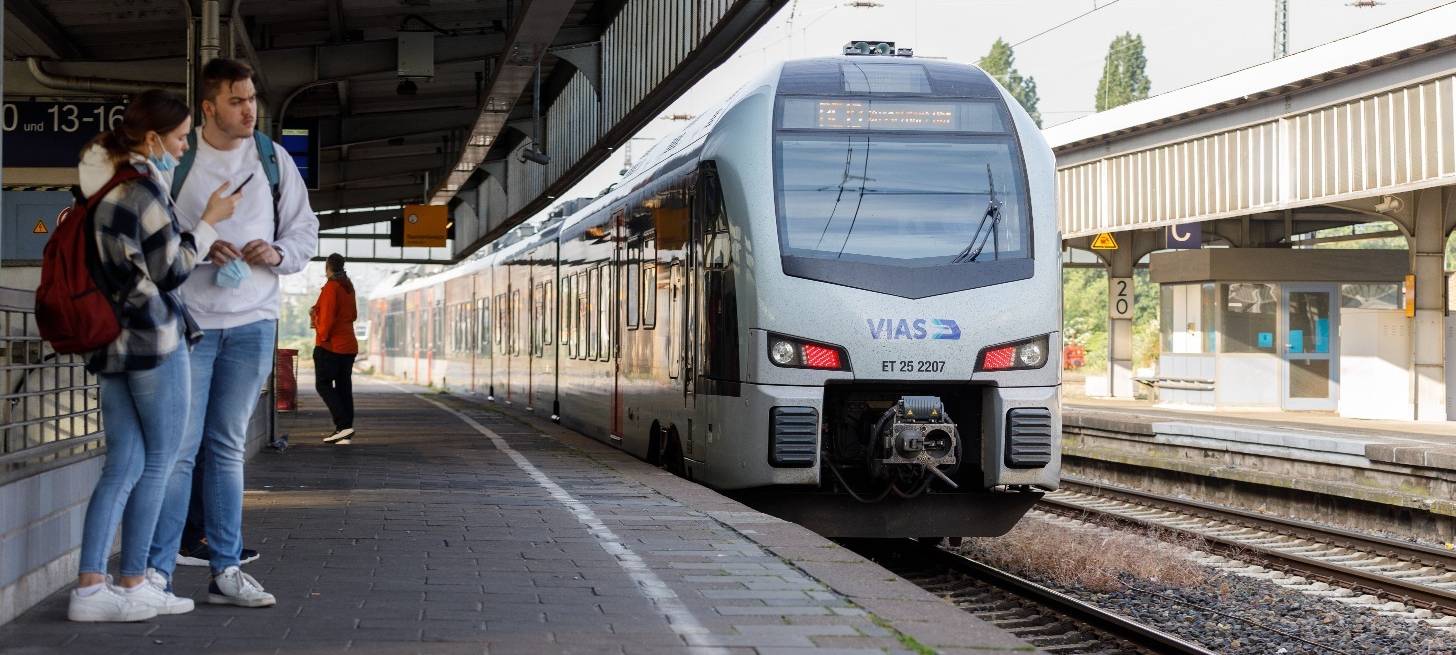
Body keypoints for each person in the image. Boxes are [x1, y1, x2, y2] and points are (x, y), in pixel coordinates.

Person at [147, 57, 319, 608]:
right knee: (179, 447)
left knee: (224, 447)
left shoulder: (272, 159)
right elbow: (155, 237)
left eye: (251, 99)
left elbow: (304, 231)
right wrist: (201, 244)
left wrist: (278, 252)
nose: (249, 110)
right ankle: (156, 574)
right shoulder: (181, 158)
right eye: (237, 101)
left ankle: (226, 568)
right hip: (190, 324)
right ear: (209, 107)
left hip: (253, 322)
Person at [69, 90, 240, 622]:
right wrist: (209, 220)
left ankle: (90, 589)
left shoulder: (97, 188)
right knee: (161, 464)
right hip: (152, 341)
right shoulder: (142, 191)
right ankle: (134, 580)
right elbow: (173, 269)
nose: (184, 146)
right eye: (181, 137)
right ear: (151, 139)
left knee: (121, 465)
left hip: (109, 344)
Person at [311, 253, 359, 444]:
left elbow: (327, 318)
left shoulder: (332, 287)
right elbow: (353, 314)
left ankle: (343, 425)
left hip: (331, 345)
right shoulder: (348, 286)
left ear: (327, 267)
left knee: (322, 385)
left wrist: (321, 334)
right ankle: (345, 430)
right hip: (348, 345)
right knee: (343, 388)